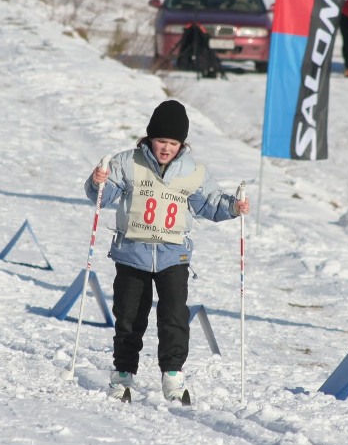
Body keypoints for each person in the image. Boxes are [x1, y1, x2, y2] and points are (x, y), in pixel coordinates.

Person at [85, 100, 249, 403]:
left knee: (174, 315)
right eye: (161, 141)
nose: (166, 148)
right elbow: (103, 198)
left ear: (181, 144)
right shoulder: (126, 162)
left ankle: (173, 375)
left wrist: (233, 207)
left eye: (173, 143)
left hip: (173, 255)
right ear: (150, 138)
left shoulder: (193, 171)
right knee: (129, 316)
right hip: (132, 252)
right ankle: (123, 375)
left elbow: (209, 203)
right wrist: (99, 182)